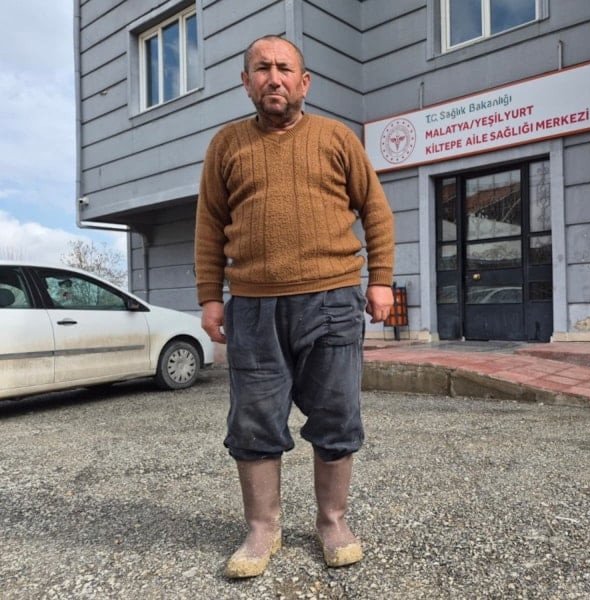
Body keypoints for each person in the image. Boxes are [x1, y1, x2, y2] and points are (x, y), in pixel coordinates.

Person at [194, 35, 395, 578]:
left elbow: (376, 211)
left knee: (336, 414)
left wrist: (380, 281)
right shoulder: (226, 145)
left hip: (332, 300)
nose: (274, 77)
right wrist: (211, 297)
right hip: (253, 307)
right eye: (262, 68)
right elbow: (209, 225)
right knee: (254, 420)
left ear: (304, 82)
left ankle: (333, 521)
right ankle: (263, 528)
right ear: (246, 82)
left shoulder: (336, 138)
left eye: (285, 68)